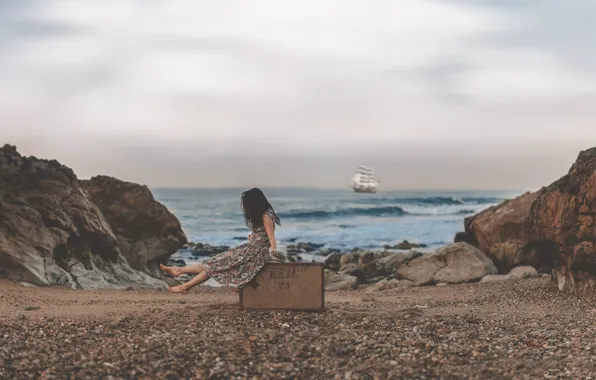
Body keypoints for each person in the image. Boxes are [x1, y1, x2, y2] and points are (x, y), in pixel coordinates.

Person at [160, 188, 281, 293]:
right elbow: (262, 235)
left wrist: (272, 251)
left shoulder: (266, 216)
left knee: (214, 266)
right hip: (250, 248)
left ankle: (184, 285)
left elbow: (271, 238)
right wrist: (253, 237)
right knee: (213, 263)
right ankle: (179, 270)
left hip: (255, 253)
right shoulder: (264, 215)